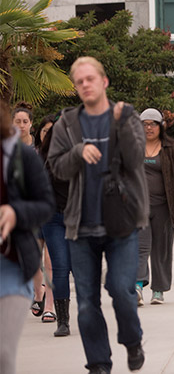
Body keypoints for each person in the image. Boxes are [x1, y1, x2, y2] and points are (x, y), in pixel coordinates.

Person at [48, 56, 147, 373]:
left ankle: (132, 341)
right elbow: (58, 168)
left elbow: (135, 159)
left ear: (104, 82)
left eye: (90, 79)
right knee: (88, 302)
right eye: (79, 82)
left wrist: (120, 124)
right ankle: (99, 363)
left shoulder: (124, 115)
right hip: (81, 225)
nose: (85, 85)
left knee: (121, 289)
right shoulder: (67, 123)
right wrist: (78, 152)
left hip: (122, 221)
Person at [0, 102, 55, 373]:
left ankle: (45, 299)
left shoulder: (22, 156)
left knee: (2, 353)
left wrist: (15, 211)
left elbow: (46, 204)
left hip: (10, 266)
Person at [135, 108, 174, 305]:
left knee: (161, 249)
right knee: (139, 247)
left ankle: (158, 290)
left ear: (161, 126)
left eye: (152, 124)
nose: (148, 128)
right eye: (144, 124)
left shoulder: (171, 148)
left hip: (164, 206)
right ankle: (136, 286)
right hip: (138, 206)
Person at [38, 112, 75, 337]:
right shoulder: (44, 157)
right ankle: (63, 320)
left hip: (79, 219)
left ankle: (90, 313)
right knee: (60, 268)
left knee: (80, 268)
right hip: (53, 219)